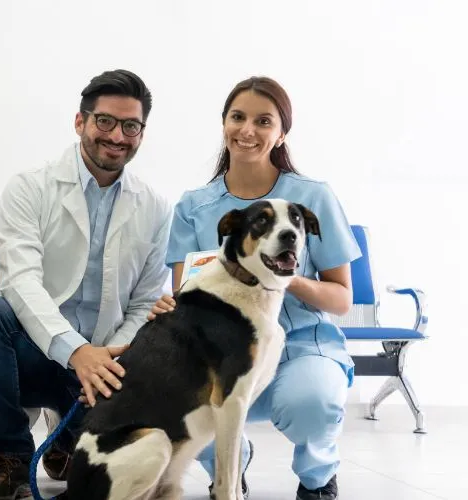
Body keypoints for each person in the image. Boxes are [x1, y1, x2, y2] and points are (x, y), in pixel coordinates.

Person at [0, 69, 173, 499]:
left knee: (103, 468)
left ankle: (71, 440)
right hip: (34, 353)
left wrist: (109, 357)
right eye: (105, 121)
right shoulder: (30, 187)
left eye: (131, 126)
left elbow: (146, 300)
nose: (117, 135)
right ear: (80, 122)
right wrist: (77, 352)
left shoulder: (156, 207)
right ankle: (13, 458)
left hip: (109, 361)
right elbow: (19, 282)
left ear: (142, 133)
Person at [153, 76, 359, 500]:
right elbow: (187, 296)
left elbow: (341, 299)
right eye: (238, 117)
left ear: (281, 133)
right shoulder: (195, 207)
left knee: (312, 403)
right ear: (224, 123)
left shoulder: (313, 198)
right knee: (190, 404)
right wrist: (167, 307)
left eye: (263, 121)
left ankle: (318, 478)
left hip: (302, 346)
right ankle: (230, 466)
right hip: (222, 354)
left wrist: (284, 278)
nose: (247, 130)